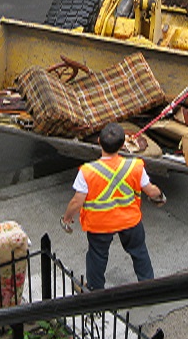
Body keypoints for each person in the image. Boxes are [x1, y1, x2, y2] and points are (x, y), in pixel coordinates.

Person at [61, 122, 166, 290]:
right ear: (123, 144)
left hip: (100, 224)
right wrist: (160, 197)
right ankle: (148, 287)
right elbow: (151, 191)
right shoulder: (135, 166)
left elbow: (76, 201)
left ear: (99, 142)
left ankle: (95, 290)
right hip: (130, 221)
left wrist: (67, 219)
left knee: (97, 256)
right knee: (139, 252)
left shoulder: (87, 171)